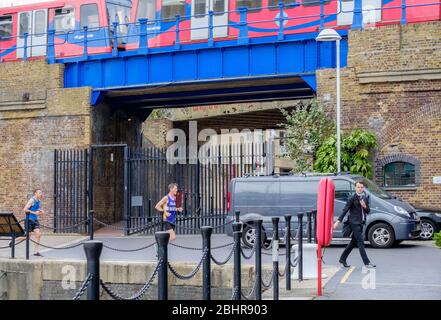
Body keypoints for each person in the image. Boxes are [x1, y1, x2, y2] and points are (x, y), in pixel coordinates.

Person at [333, 181, 376, 268]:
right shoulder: (352, 198)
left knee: (353, 242)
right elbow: (345, 210)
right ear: (355, 188)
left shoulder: (365, 197)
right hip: (354, 223)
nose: (360, 189)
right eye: (358, 187)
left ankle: (342, 259)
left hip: (361, 222)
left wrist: (364, 206)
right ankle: (367, 262)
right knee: (360, 242)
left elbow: (368, 211)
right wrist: (338, 221)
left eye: (361, 187)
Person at [14, 189, 45, 256]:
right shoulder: (32, 200)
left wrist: (40, 210)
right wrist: (35, 212)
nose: (41, 194)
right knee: (27, 237)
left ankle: (36, 252)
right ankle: (14, 240)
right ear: (35, 193)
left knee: (38, 235)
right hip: (29, 220)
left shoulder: (39, 200)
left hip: (35, 220)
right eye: (39, 193)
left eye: (41, 193)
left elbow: (35, 208)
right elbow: (25, 209)